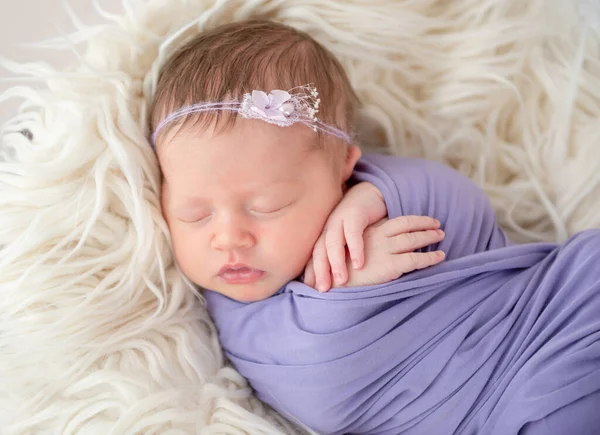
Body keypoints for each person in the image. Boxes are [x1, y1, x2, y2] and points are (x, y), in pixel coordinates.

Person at [151, 19, 600, 435]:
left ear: (345, 166)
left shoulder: (378, 193)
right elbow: (321, 388)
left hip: (546, 310)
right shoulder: (231, 313)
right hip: (495, 408)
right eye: (196, 213)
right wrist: (347, 287)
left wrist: (377, 196)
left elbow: (465, 211)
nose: (228, 237)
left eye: (269, 206)